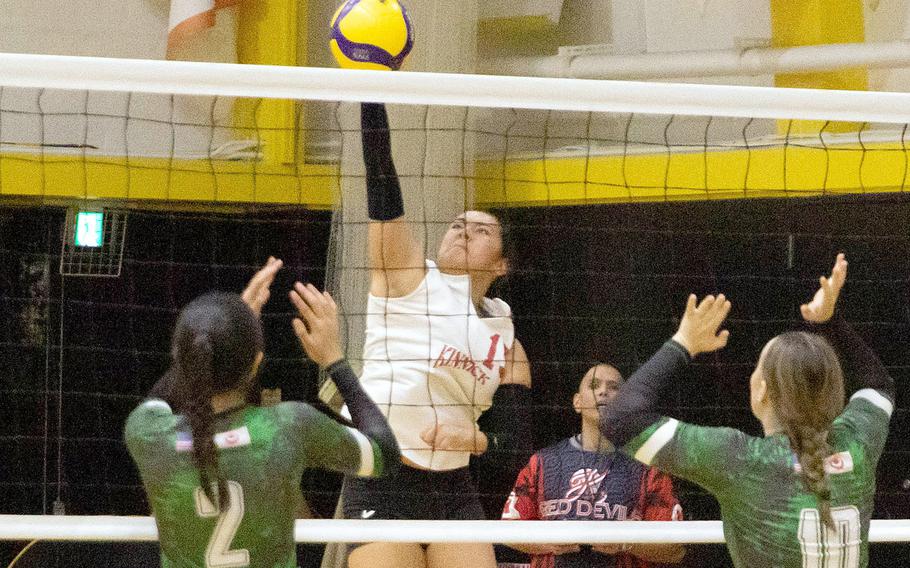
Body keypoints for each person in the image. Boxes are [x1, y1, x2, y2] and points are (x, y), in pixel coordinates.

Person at [600, 254, 894, 568]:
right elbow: (879, 384)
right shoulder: (859, 444)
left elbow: (620, 419)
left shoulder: (741, 459)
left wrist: (682, 342)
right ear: (834, 391)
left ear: (761, 391)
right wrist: (830, 322)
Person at [342, 102, 532, 568]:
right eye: (456, 224)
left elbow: (516, 444)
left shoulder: (505, 334)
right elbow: (381, 184)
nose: (462, 232)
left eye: (480, 230)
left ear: (501, 264)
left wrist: (476, 440)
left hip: (453, 487)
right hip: (384, 476)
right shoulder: (409, 278)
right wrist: (372, 93)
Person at [125, 258, 400, 568]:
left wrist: (210, 341)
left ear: (181, 358)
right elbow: (385, 454)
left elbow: (165, 392)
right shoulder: (289, 427)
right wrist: (334, 359)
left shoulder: (147, 433)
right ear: (257, 363)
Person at [502, 363, 685, 568]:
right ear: (577, 402)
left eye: (614, 387)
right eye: (594, 385)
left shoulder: (647, 468)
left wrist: (626, 543)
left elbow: (675, 549)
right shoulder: (543, 463)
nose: (603, 391)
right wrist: (547, 542)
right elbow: (509, 532)